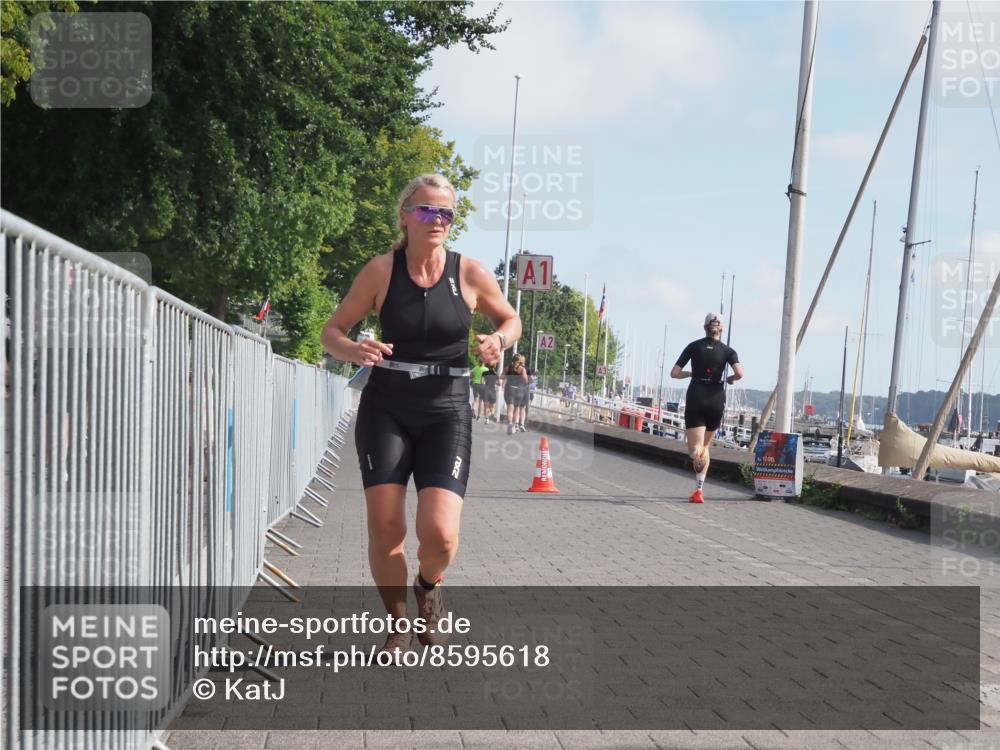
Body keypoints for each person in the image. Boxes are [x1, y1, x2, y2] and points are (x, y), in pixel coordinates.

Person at [321, 174, 521, 656]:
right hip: (387, 407)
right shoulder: (380, 271)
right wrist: (355, 349)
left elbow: (509, 319)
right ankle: (396, 622)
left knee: (442, 535)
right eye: (427, 211)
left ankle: (428, 588)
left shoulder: (470, 273)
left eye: (446, 213)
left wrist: (499, 341)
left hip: (447, 409)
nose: (437, 220)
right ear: (405, 216)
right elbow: (333, 331)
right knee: (387, 528)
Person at [670, 312, 744, 503]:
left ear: (704, 327)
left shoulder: (693, 346)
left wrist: (691, 373)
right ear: (722, 329)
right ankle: (699, 490)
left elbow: (674, 373)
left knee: (695, 449)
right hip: (716, 399)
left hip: (696, 396)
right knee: (705, 446)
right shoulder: (728, 350)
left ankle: (697, 460)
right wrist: (730, 379)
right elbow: (740, 373)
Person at [503, 353, 529, 434]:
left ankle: (510, 424)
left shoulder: (507, 368)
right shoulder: (522, 369)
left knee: (510, 409)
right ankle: (514, 426)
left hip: (509, 389)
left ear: (512, 360)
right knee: (517, 409)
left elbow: (501, 377)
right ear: (519, 361)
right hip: (519, 391)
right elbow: (525, 380)